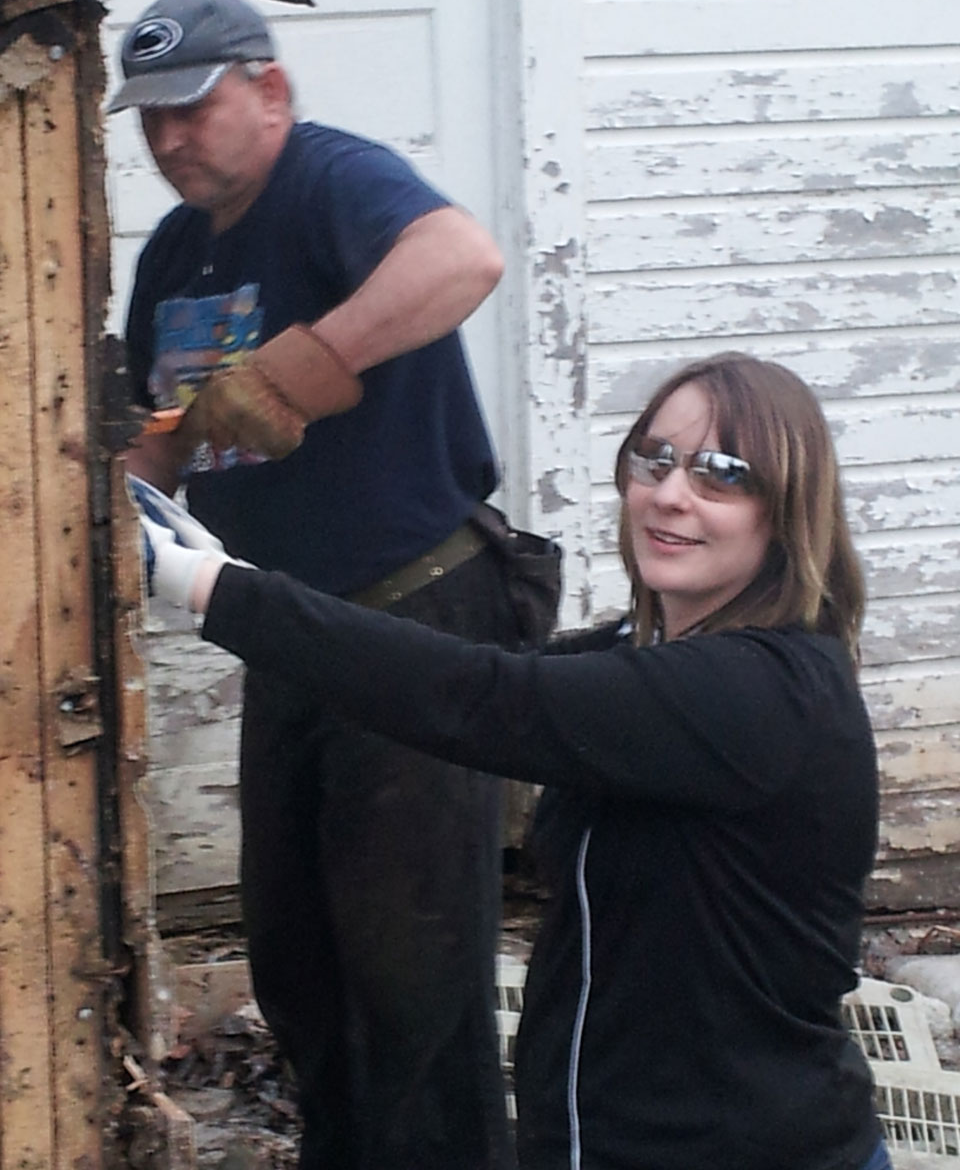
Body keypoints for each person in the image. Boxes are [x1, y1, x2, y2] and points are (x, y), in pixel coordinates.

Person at [133, 351, 892, 1170]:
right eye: (656, 458)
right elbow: (444, 680)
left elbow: (486, 701)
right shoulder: (648, 655)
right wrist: (241, 578)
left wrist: (212, 589)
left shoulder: (761, 690)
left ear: (785, 509)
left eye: (722, 474)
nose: (672, 493)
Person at [110, 0, 556, 1170]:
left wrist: (314, 359)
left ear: (269, 90)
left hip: (418, 613)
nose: (168, 141)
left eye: (191, 110)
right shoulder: (172, 253)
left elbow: (465, 256)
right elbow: (157, 431)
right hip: (292, 631)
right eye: (148, 121)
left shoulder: (329, 180)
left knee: (415, 970)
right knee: (299, 956)